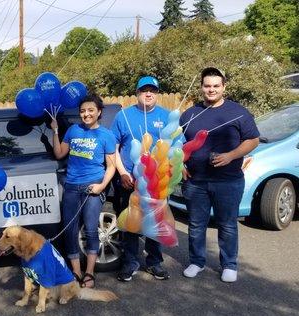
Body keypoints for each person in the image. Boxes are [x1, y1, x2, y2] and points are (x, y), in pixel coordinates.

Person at [180, 67, 259, 283]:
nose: (211, 89)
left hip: (228, 181)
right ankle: (197, 262)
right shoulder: (190, 114)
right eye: (207, 86)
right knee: (196, 224)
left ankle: (229, 265)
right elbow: (178, 145)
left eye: (216, 85)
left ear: (224, 86)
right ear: (201, 87)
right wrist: (180, 165)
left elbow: (253, 140)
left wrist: (230, 156)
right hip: (196, 181)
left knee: (227, 224)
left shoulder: (238, 112)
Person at [50, 93, 116, 288]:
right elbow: (59, 153)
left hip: (92, 187)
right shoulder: (73, 130)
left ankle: (89, 272)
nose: (86, 114)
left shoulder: (106, 135)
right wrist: (55, 131)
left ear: (99, 112)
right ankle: (76, 272)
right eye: (83, 111)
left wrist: (102, 186)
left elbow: (111, 166)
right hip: (71, 187)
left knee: (90, 230)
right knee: (69, 231)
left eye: (90, 110)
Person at [111, 76, 171, 282]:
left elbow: (175, 148)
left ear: (157, 93)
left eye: (152, 90)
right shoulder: (123, 116)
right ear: (137, 93)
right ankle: (130, 263)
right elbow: (114, 149)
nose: (148, 94)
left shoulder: (167, 116)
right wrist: (123, 173)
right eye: (144, 90)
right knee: (131, 224)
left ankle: (155, 263)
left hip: (157, 182)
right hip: (131, 181)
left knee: (155, 223)